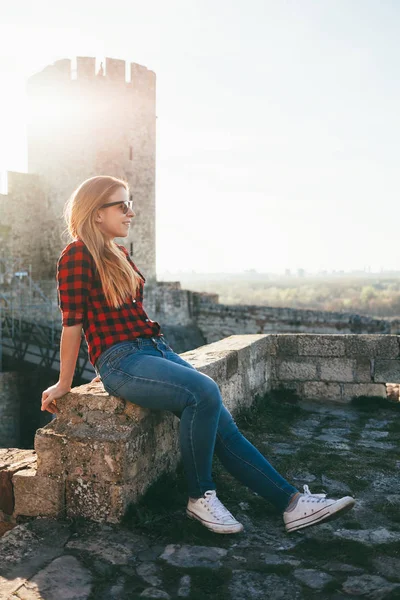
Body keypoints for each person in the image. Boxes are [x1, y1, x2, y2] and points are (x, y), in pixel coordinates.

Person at [41, 175, 356, 535]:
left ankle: (292, 504)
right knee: (203, 391)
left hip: (154, 350)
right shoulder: (76, 254)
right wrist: (65, 382)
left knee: (226, 429)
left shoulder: (119, 253)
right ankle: (200, 496)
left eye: (131, 203)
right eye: (123, 205)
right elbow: (74, 324)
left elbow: (129, 316)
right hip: (120, 360)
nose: (132, 212)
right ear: (97, 213)